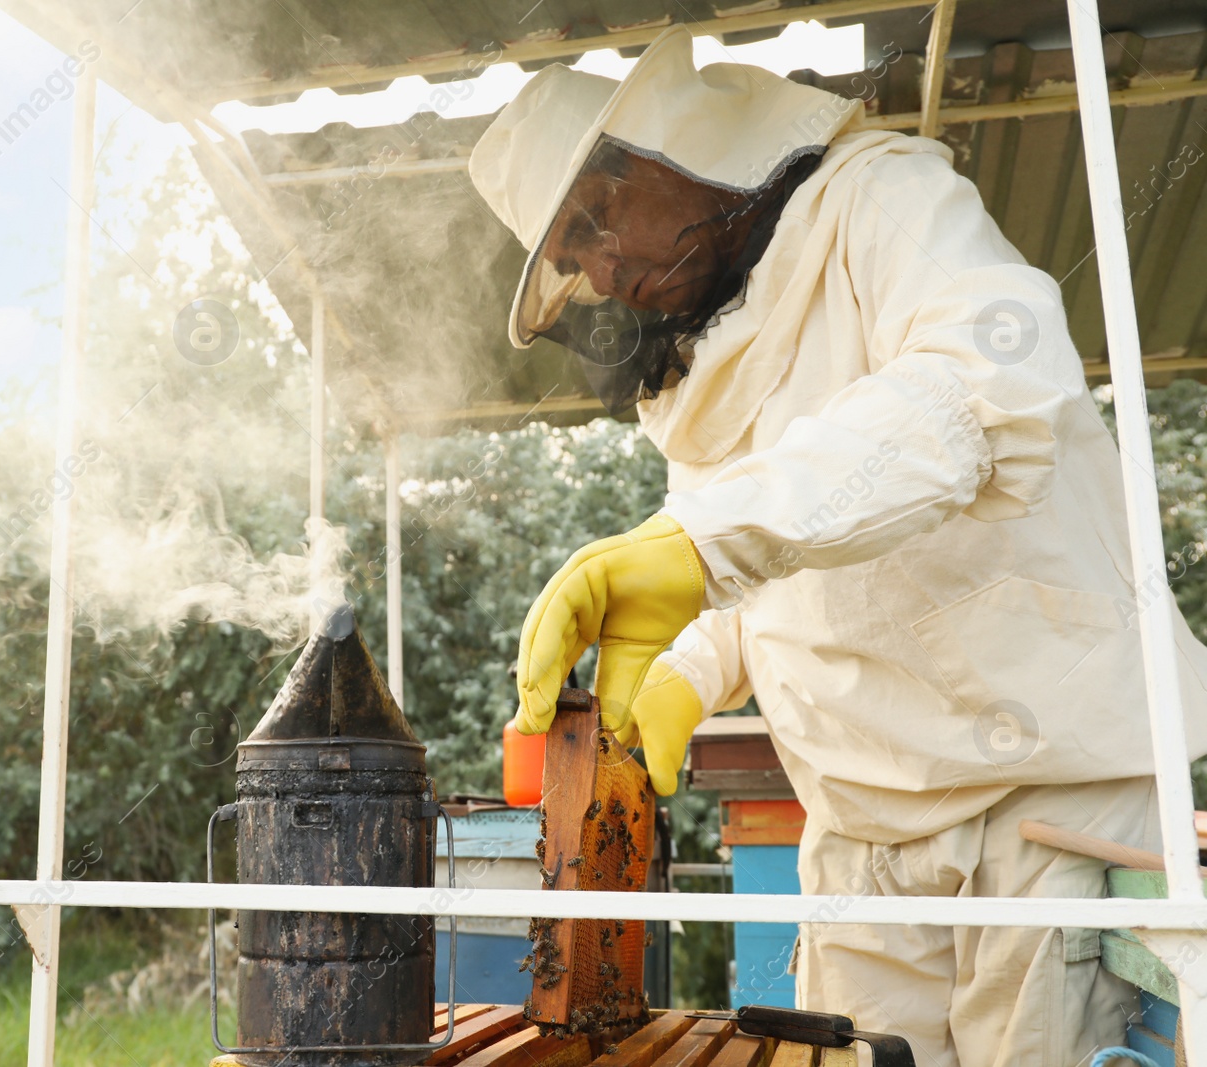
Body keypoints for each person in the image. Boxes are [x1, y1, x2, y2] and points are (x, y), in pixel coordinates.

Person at [468, 26, 1207, 1067]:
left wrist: (699, 543)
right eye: (569, 254)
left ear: (673, 144)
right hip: (858, 820)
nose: (599, 265)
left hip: (1043, 790)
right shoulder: (693, 367)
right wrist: (682, 675)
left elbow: (981, 391)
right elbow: (759, 566)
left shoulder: (884, 204)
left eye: (595, 217)